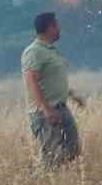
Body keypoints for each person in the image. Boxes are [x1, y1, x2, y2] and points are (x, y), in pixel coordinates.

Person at [22, 11, 86, 167]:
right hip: (45, 113)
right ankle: (40, 179)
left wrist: (72, 96)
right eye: (57, 26)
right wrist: (46, 109)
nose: (59, 29)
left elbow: (53, 80)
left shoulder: (50, 50)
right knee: (53, 157)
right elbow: (31, 81)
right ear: (49, 28)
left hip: (61, 109)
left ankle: (64, 180)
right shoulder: (34, 51)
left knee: (72, 153)